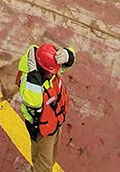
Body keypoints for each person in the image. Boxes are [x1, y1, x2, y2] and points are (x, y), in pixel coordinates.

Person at [16, 41, 76, 172]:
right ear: (41, 69)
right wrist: (34, 76)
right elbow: (33, 101)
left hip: (54, 123)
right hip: (41, 130)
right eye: (50, 71)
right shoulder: (29, 83)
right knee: (43, 165)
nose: (54, 73)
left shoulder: (48, 70)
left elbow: (64, 64)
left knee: (52, 156)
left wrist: (68, 55)